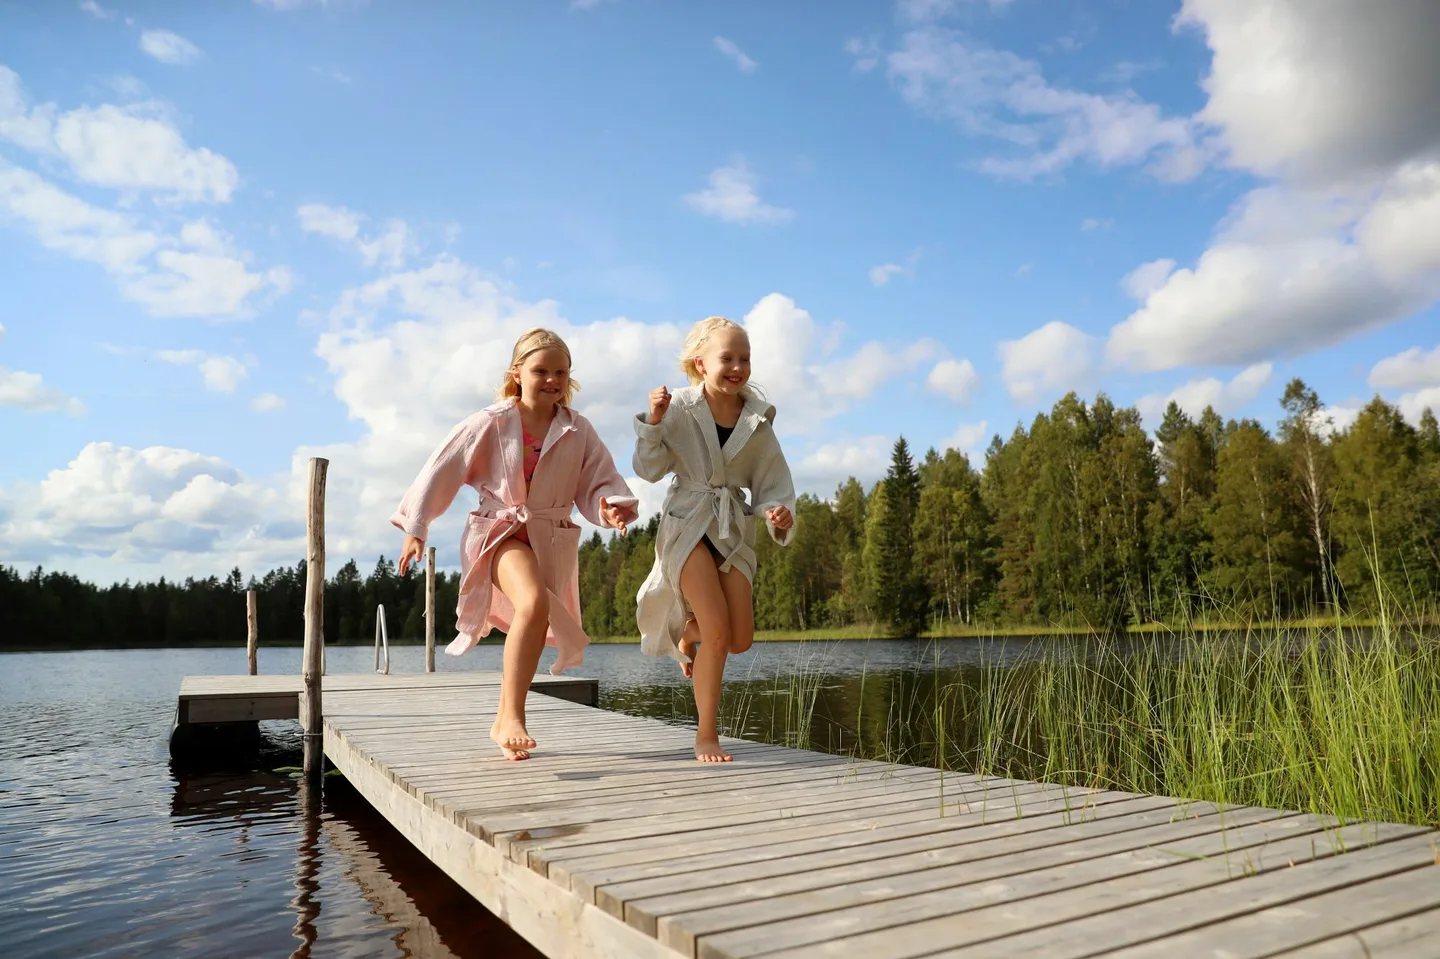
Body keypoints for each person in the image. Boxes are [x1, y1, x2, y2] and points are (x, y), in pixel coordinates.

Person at [392, 328, 638, 761]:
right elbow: (443, 466)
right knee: (531, 603)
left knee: (536, 610)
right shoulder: (492, 421)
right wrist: (417, 526)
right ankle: (513, 716)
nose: (551, 379)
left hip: (548, 538)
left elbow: (599, 479)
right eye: (540, 370)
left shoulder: (578, 429)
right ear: (516, 373)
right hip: (498, 534)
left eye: (560, 371)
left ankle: (505, 724)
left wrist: (610, 507)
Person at [633, 316, 796, 762]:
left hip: (732, 529)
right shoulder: (680, 408)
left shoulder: (758, 422)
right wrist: (653, 422)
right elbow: (647, 469)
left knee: (739, 637)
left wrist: (777, 513)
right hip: (687, 524)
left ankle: (686, 632)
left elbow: (774, 484)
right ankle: (706, 735)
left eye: (745, 358)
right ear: (700, 363)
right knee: (720, 634)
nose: (738, 366)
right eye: (728, 357)